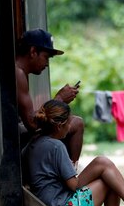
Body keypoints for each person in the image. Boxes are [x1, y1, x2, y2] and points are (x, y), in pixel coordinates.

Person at [15, 29, 85, 168]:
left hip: (19, 136)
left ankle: (68, 176)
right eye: (46, 57)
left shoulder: (21, 72)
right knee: (76, 124)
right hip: (15, 144)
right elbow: (32, 125)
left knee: (70, 122)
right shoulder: (18, 73)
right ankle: (70, 178)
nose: (47, 64)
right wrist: (59, 99)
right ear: (33, 52)